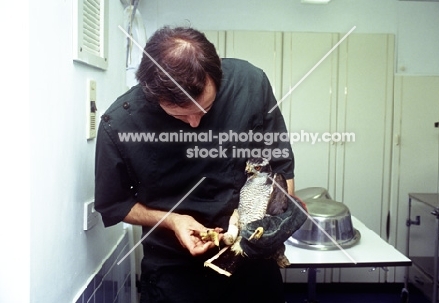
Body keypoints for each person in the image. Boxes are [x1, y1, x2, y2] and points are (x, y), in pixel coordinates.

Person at [94, 26, 305, 303]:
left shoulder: (250, 85)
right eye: (181, 115)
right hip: (174, 275)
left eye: (204, 110)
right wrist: (172, 221)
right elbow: (114, 204)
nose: (195, 123)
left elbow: (280, 169)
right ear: (151, 94)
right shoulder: (119, 125)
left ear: (217, 75)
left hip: (253, 267)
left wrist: (259, 218)